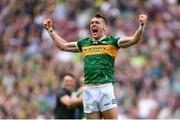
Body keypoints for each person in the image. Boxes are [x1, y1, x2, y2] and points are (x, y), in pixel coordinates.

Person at [43, 12, 147, 119]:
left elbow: (134, 40)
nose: (93, 24)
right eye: (92, 23)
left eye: (97, 22)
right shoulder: (85, 43)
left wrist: (141, 26)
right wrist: (50, 30)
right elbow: (63, 46)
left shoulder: (112, 41)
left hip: (105, 88)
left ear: (104, 28)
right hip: (88, 90)